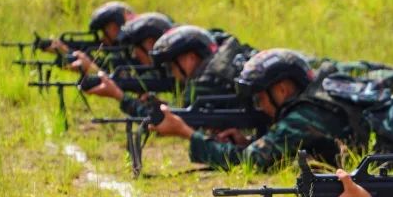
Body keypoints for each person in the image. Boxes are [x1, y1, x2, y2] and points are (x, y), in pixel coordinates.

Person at [148, 48, 360, 171]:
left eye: (260, 98)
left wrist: (186, 132)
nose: (259, 107)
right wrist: (248, 142)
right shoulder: (313, 103)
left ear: (282, 89)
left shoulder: (303, 116)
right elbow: (274, 153)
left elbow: (252, 161)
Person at [78, 12, 175, 114]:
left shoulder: (183, 80)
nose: (134, 55)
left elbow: (175, 125)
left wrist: (119, 95)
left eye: (135, 48)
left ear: (151, 43)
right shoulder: (169, 74)